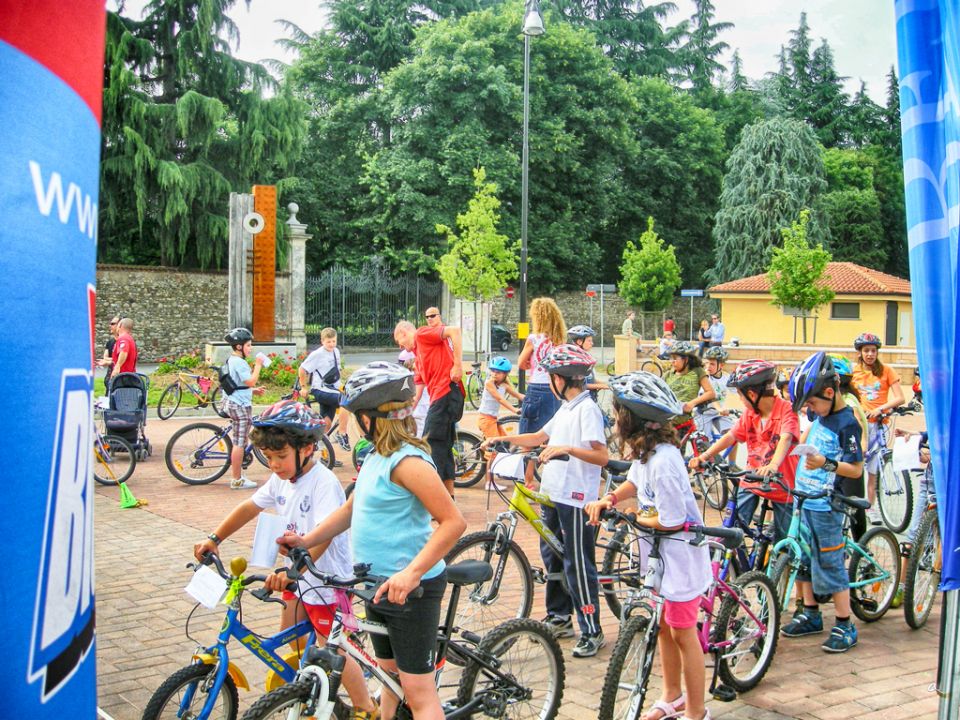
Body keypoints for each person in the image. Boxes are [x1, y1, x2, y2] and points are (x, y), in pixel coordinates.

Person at [279, 361, 466, 720]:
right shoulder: (376, 456)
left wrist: (411, 573)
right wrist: (307, 540)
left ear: (372, 418)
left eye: (354, 416)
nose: (349, 423)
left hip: (411, 590)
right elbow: (352, 509)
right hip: (375, 584)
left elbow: (452, 522)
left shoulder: (409, 462)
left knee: (419, 693)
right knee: (388, 674)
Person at [192, 401, 378, 719]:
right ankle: (308, 690)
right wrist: (215, 538)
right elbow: (249, 507)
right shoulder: (280, 480)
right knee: (292, 635)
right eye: (268, 457)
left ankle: (365, 707)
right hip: (296, 574)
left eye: (280, 457)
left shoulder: (323, 483)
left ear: (306, 449)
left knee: (331, 647)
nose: (274, 464)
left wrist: (298, 570)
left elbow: (325, 534)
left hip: (325, 579)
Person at [585, 372, 712, 720]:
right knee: (665, 628)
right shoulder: (647, 455)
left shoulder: (666, 462)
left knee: (684, 633)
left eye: (617, 414)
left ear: (632, 421)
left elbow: (670, 520)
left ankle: (697, 710)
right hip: (660, 557)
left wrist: (637, 518)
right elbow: (632, 483)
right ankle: (672, 694)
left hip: (680, 558)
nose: (613, 420)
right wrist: (610, 498)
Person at [486, 344, 608, 658]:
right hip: (554, 493)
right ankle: (559, 617)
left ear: (563, 379)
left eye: (552, 376)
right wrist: (504, 438)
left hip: (577, 497)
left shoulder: (587, 409)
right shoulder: (565, 408)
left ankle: (592, 628)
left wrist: (567, 449)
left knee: (578, 563)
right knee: (553, 556)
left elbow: (601, 456)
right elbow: (539, 437)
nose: (549, 382)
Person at [781, 351, 864, 653]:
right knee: (803, 559)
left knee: (829, 563)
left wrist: (826, 463)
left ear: (830, 392)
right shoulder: (820, 414)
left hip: (827, 504)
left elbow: (856, 468)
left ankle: (845, 623)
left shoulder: (847, 424)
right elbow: (808, 435)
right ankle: (809, 612)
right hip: (804, 499)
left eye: (812, 403)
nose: (810, 410)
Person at [690, 359, 799, 543]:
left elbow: (786, 438)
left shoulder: (787, 410)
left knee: (784, 544)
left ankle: (783, 570)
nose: (740, 400)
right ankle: (735, 567)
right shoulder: (750, 413)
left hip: (782, 483)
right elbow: (731, 436)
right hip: (753, 479)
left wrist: (773, 465)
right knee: (732, 531)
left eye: (740, 395)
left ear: (751, 394)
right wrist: (705, 456)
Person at [394, 318, 464, 497]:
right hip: (443, 398)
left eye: (399, 342)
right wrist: (404, 413)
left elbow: (454, 331)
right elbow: (417, 392)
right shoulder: (418, 358)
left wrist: (457, 365)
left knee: (430, 445)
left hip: (446, 393)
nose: (401, 347)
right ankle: (449, 497)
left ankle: (435, 499)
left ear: (403, 332)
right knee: (443, 448)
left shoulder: (421, 335)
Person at [851, 332, 904, 525]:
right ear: (860, 352)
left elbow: (900, 397)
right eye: (866, 351)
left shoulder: (887, 371)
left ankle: (870, 508)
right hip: (859, 425)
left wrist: (881, 409)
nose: (870, 354)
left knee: (874, 470)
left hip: (879, 423)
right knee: (854, 465)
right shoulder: (853, 372)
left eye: (873, 350)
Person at [891, 427, 934, 609]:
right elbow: (927, 434)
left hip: (951, 484)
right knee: (911, 540)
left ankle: (937, 579)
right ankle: (900, 587)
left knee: (946, 540)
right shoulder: (941, 416)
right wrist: (912, 437)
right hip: (929, 482)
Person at [828, 353, 869, 541]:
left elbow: (858, 426)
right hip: (835, 460)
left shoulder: (848, 402)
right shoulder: (834, 401)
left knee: (855, 507)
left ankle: (863, 552)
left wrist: (860, 451)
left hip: (849, 461)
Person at [222, 327, 265, 490]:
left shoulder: (232, 360)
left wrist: (253, 391)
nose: (251, 348)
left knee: (239, 440)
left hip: (234, 401)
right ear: (239, 347)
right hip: (239, 405)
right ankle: (236, 479)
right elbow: (250, 381)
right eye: (248, 345)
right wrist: (258, 365)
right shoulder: (239, 363)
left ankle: (238, 474)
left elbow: (237, 384)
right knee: (239, 443)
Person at [517, 297, 567, 434]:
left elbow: (521, 363)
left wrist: (531, 365)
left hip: (537, 387)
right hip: (555, 389)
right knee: (550, 433)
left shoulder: (534, 338)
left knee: (527, 434)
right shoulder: (560, 340)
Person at [298, 327, 350, 452]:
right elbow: (302, 369)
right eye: (328, 342)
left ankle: (325, 457)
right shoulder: (317, 354)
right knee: (345, 401)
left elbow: (336, 371)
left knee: (326, 424)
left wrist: (341, 385)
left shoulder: (335, 351)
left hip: (332, 388)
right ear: (322, 341)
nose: (331, 344)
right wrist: (303, 387)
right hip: (320, 389)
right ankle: (342, 433)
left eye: (333, 341)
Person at [696, 346, 737, 464]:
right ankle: (706, 467)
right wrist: (719, 408)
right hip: (703, 413)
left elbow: (738, 392)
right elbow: (711, 398)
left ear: (721, 366)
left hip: (719, 414)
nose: (708, 366)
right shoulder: (704, 378)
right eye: (707, 363)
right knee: (704, 442)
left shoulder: (726, 378)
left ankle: (732, 464)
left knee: (734, 434)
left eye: (712, 364)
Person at [661, 341, 715, 428]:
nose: (672, 361)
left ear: (686, 359)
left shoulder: (697, 372)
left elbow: (710, 393)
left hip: (683, 423)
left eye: (675, 358)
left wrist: (691, 403)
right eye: (671, 358)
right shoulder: (668, 374)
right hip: (665, 421)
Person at [567, 325, 606, 398]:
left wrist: (608, 384)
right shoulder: (575, 360)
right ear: (579, 342)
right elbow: (579, 385)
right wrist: (602, 386)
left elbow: (590, 380)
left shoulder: (584, 358)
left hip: (591, 398)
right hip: (582, 401)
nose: (592, 343)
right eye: (589, 341)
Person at [398, 349, 429, 438]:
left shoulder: (417, 375)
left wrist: (405, 413)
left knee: (419, 440)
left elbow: (415, 398)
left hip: (421, 413)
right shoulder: (410, 375)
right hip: (419, 412)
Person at [97, 314, 121, 390]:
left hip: (120, 378)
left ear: (120, 325)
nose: (110, 326)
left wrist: (110, 361)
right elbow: (105, 357)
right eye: (110, 323)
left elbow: (122, 360)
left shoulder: (124, 342)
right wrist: (112, 360)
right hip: (109, 377)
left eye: (113, 324)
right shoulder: (110, 342)